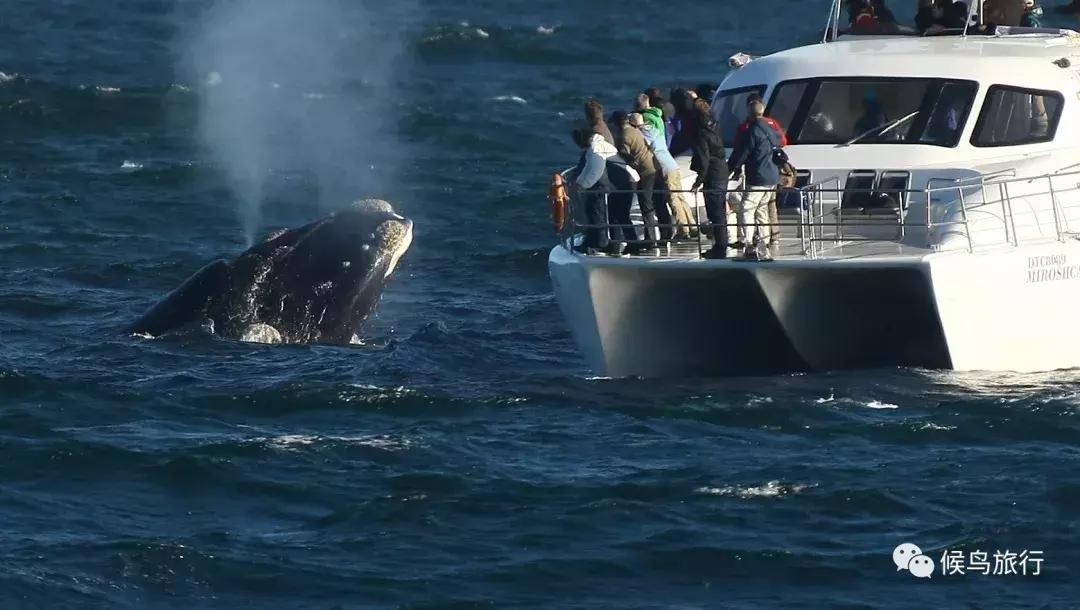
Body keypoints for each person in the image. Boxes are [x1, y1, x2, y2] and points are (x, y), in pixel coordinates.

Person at [728, 99, 782, 260]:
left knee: (746, 208)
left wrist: (730, 170)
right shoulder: (771, 127)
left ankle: (749, 245)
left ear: (749, 113)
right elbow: (780, 142)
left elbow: (741, 154)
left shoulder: (751, 131)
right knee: (762, 209)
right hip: (772, 175)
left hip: (758, 176)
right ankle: (764, 244)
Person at [633, 112, 695, 241]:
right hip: (672, 164)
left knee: (673, 198)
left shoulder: (642, 134)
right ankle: (692, 225)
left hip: (664, 168)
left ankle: (683, 229)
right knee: (679, 196)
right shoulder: (654, 129)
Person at [569, 128, 622, 255]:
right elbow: (589, 167)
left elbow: (595, 171)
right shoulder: (597, 146)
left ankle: (600, 243)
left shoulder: (595, 150)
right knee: (597, 213)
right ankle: (603, 242)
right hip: (611, 184)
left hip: (601, 187)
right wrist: (579, 183)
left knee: (597, 214)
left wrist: (582, 185)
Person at [613, 110, 660, 254]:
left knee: (646, 205)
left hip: (645, 171)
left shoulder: (623, 136)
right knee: (648, 203)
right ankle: (651, 238)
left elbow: (627, 156)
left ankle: (651, 240)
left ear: (616, 123)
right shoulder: (634, 130)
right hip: (652, 167)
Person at [690, 99, 730, 259]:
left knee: (716, 213)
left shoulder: (702, 134)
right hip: (722, 171)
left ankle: (720, 248)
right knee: (720, 211)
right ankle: (722, 244)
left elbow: (704, 160)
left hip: (712, 176)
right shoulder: (715, 126)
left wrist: (698, 182)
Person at [668, 88, 699, 157]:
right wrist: (695, 99)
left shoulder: (671, 117)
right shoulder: (691, 115)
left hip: (677, 150)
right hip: (688, 149)